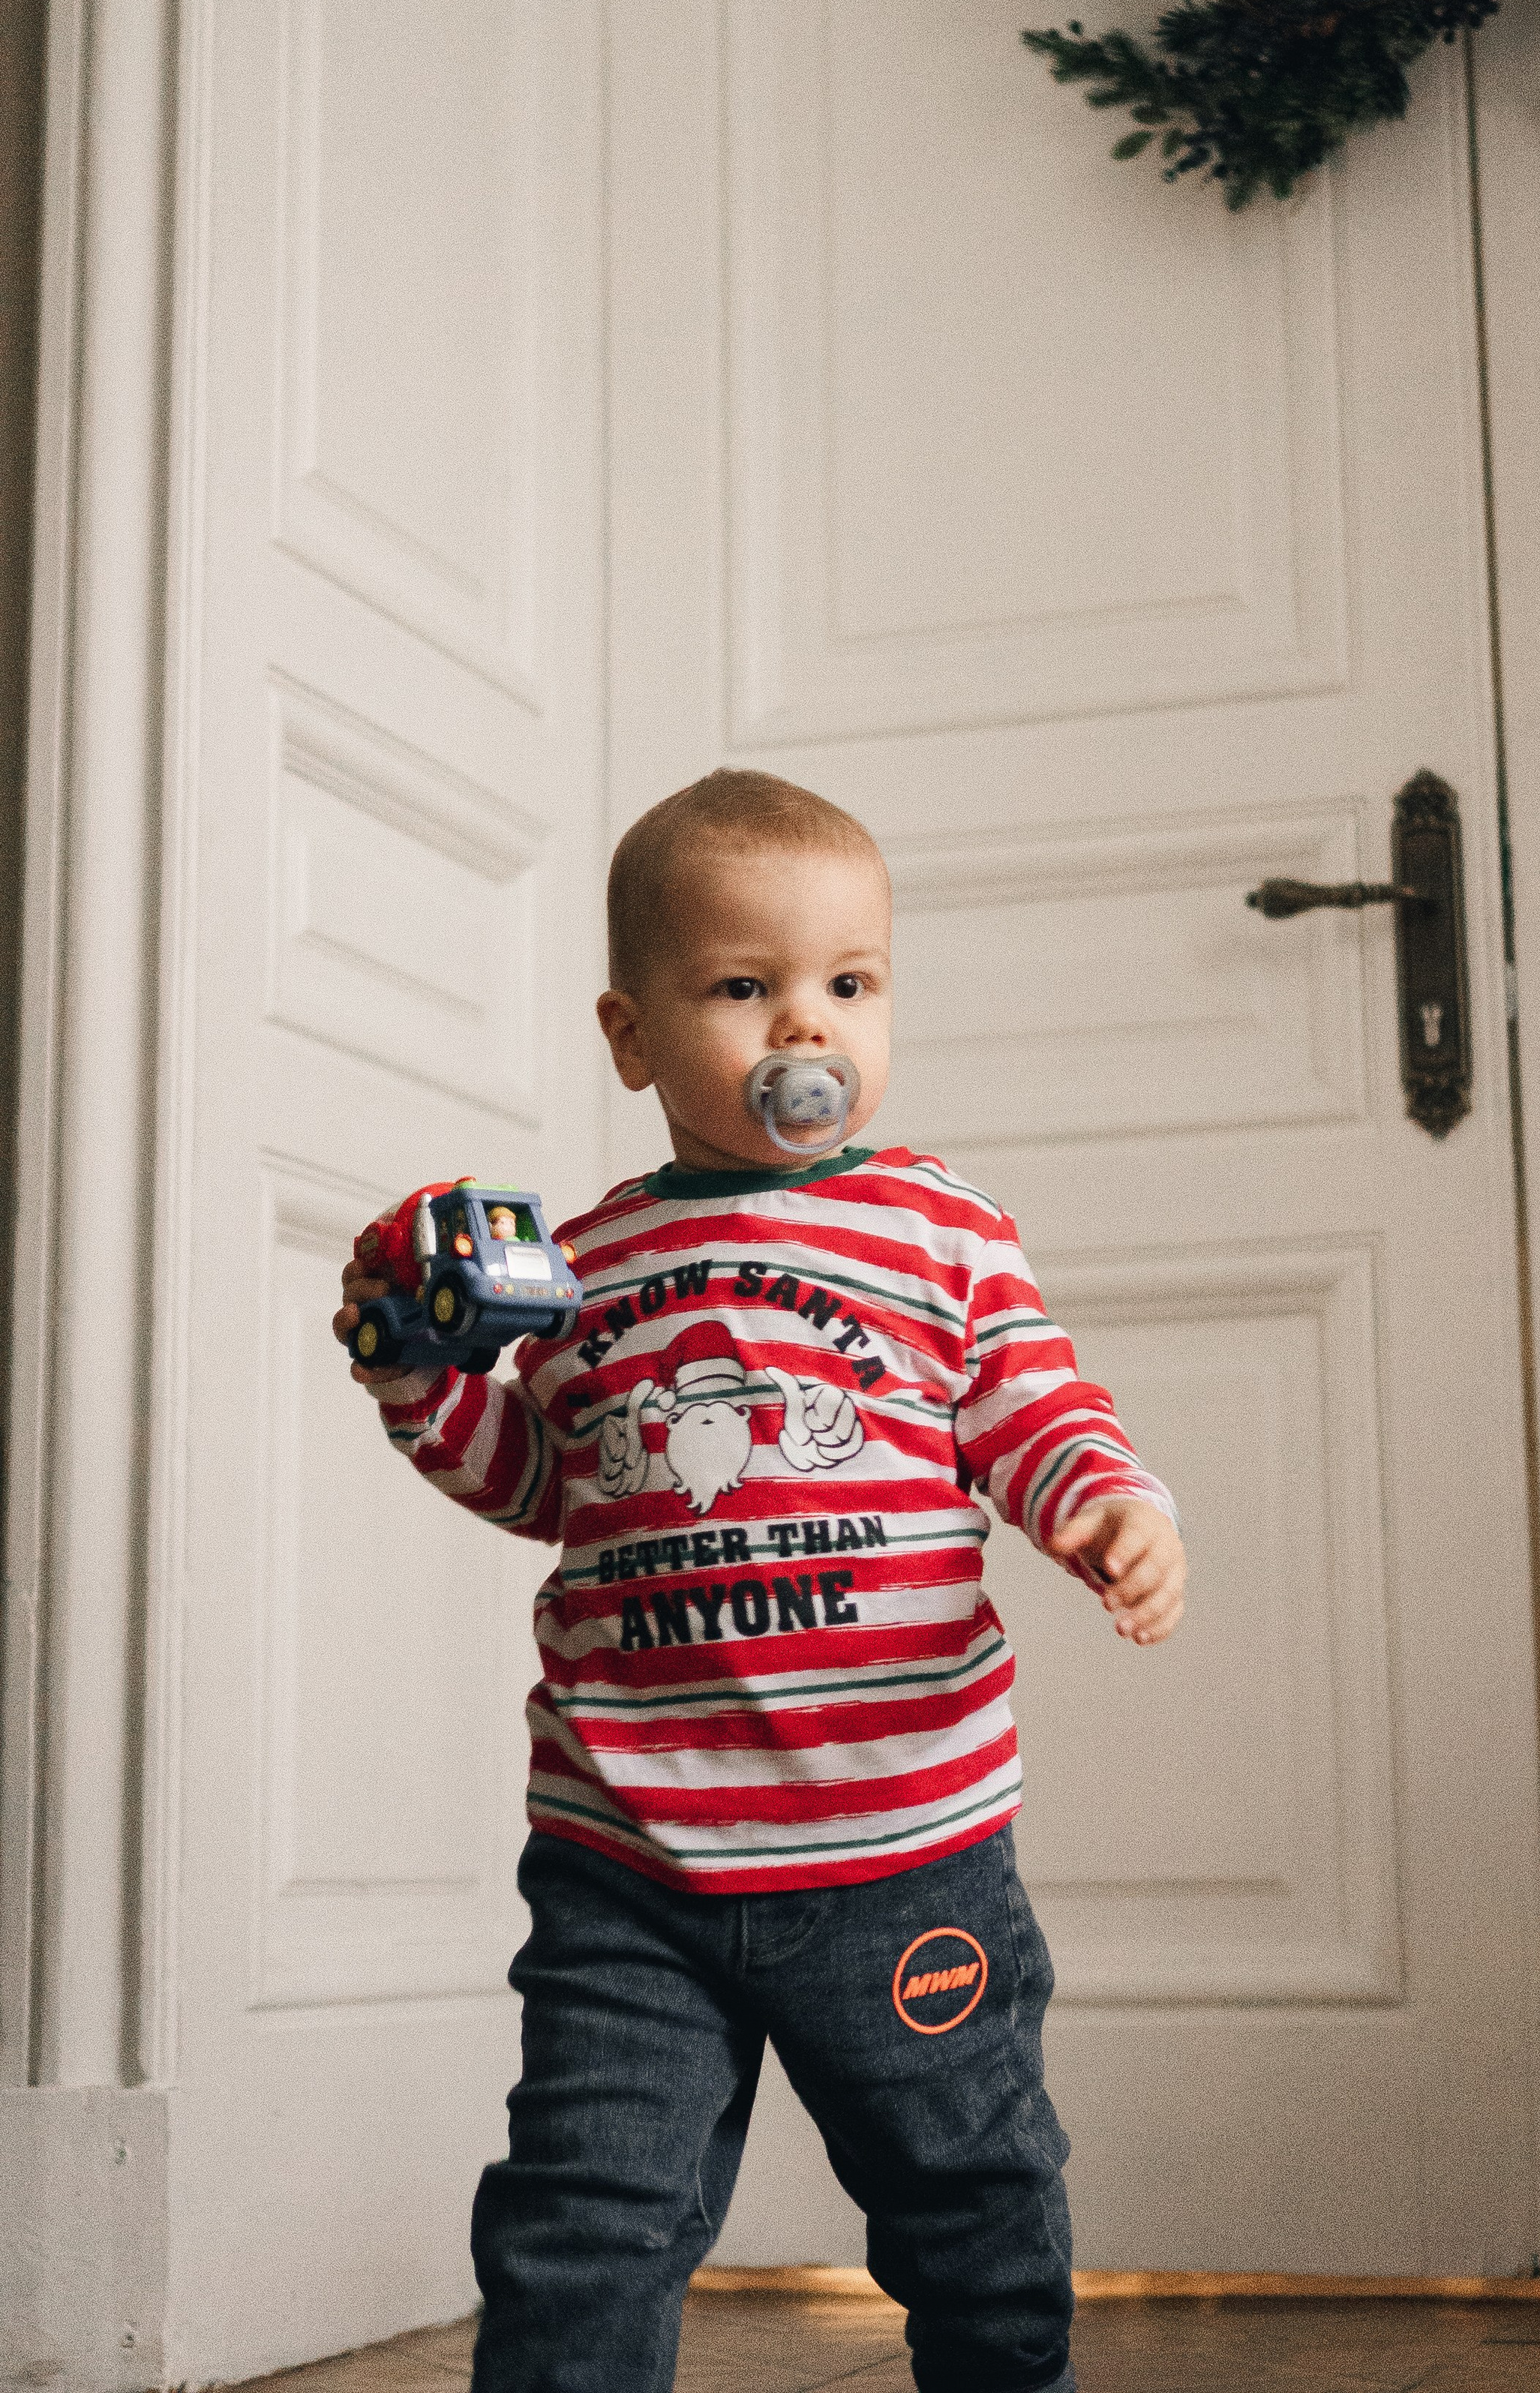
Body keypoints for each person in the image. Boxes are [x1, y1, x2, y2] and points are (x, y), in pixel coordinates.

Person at [334, 767, 1185, 2393]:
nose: (809, 1036)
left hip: (901, 1850)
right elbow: (534, 1483)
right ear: (632, 1033)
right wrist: (418, 1384)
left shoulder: (940, 1231)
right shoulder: (580, 1267)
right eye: (745, 989)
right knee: (583, 2214)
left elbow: (1033, 1407)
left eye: (848, 986)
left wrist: (1106, 1508)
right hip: (629, 1861)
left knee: (973, 2198)